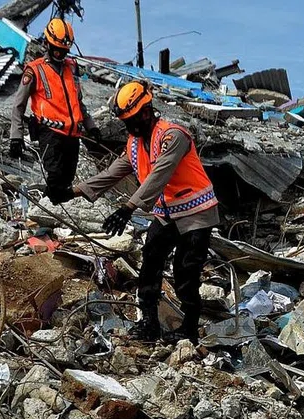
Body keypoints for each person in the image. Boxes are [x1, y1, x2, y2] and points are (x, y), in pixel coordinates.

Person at [69, 81, 219, 343]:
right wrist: (74, 191)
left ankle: (189, 328)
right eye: (126, 121)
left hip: (196, 213)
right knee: (150, 262)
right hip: (167, 214)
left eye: (133, 120)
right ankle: (149, 322)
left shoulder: (174, 136)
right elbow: (113, 173)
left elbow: (160, 174)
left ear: (147, 112)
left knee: (186, 272)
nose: (130, 126)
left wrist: (129, 207)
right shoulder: (135, 144)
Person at [8, 18, 99, 205]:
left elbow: (78, 103)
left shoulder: (71, 68)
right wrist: (16, 136)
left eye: (64, 51)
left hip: (73, 135)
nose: (60, 54)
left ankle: (52, 212)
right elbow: (19, 104)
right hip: (50, 133)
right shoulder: (34, 70)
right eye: (57, 50)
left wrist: (91, 127)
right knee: (55, 178)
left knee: (67, 181)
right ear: (47, 44)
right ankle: (46, 211)